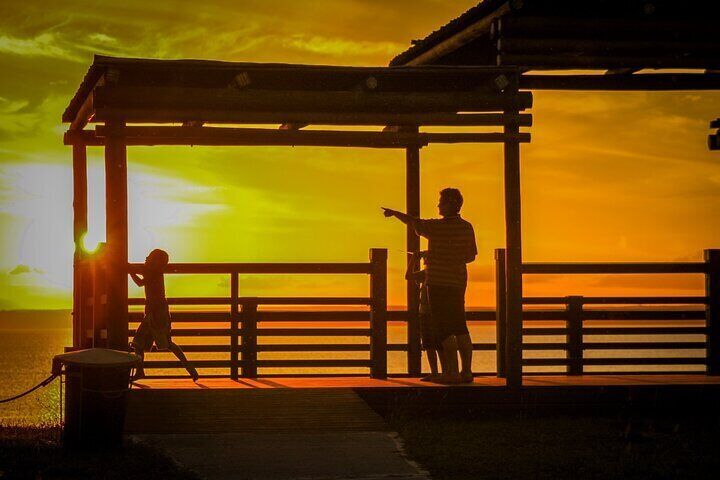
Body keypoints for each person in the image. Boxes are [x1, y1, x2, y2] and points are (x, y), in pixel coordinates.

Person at [382, 188, 477, 384]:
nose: (438, 206)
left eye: (441, 202)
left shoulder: (437, 227)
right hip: (458, 282)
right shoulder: (467, 227)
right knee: (460, 327)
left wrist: (395, 213)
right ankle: (466, 372)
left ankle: (450, 374)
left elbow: (414, 222)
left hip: (438, 283)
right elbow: (471, 256)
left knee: (444, 329)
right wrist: (451, 257)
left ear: (451, 204)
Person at [129, 249, 199, 382]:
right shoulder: (154, 271)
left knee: (146, 342)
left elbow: (139, 282)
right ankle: (190, 368)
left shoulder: (153, 272)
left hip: (156, 313)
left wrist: (129, 269)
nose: (146, 257)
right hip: (156, 312)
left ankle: (140, 371)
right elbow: (140, 278)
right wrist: (130, 269)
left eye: (150, 257)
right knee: (156, 343)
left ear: (156, 262)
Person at [405, 250, 445, 381]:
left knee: (434, 344)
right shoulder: (428, 273)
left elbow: (408, 276)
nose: (424, 260)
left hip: (430, 313)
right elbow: (409, 277)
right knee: (431, 344)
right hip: (429, 312)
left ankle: (439, 372)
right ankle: (440, 372)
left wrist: (413, 260)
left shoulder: (428, 273)